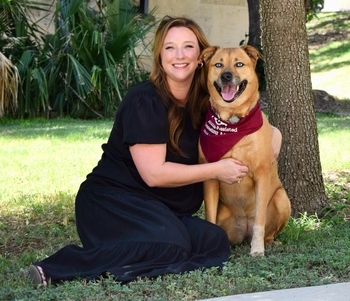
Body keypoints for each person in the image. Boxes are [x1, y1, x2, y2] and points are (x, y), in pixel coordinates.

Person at [24, 16, 281, 286]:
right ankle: (55, 268)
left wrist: (275, 133)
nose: (179, 55)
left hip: (161, 210)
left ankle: (146, 265)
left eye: (188, 47)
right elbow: (154, 175)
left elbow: (243, 120)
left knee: (213, 240)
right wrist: (217, 170)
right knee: (171, 245)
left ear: (200, 57)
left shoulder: (206, 100)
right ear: (159, 55)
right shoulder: (145, 100)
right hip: (114, 202)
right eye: (170, 48)